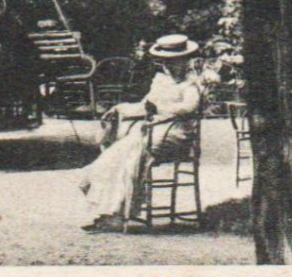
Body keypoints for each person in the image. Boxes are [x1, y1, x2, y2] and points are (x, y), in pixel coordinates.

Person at [76, 34, 212, 229]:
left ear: (185, 61)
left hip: (176, 133)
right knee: (113, 157)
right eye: (165, 62)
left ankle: (117, 213)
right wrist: (121, 108)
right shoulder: (160, 82)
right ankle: (106, 212)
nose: (169, 66)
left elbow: (188, 108)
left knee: (132, 155)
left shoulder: (190, 85)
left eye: (174, 62)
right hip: (153, 131)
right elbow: (145, 106)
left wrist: (160, 110)